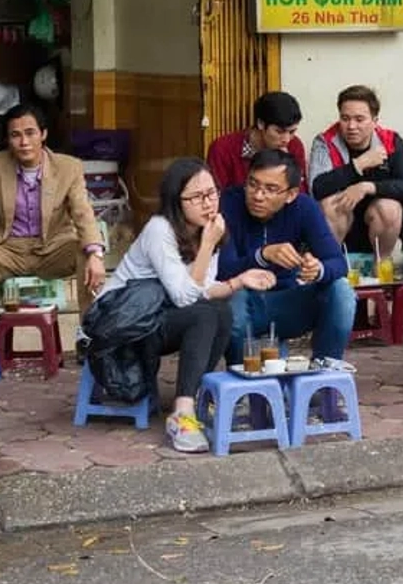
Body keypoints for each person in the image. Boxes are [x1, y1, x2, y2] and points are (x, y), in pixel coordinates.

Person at [86, 159, 275, 453]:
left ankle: (196, 397)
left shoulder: (208, 228)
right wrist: (208, 246)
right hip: (122, 327)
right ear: (177, 201)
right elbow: (186, 297)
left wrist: (239, 280)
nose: (208, 203)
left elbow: (203, 289)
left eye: (212, 193)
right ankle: (182, 414)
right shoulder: (159, 230)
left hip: (156, 318)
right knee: (203, 315)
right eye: (197, 197)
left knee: (221, 311)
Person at [0, 103, 105, 309]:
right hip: (8, 249)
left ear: (43, 134)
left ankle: (90, 334)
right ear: (8, 140)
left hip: (53, 248)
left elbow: (83, 212)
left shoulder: (68, 167)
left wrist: (95, 253)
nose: (24, 142)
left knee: (86, 255)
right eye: (15, 135)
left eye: (30, 133)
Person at [219, 149, 354, 364]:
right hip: (245, 303)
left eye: (271, 189)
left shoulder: (304, 207)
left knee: (342, 290)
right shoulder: (229, 203)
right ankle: (242, 380)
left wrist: (317, 269)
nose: (258, 195)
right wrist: (263, 256)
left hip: (288, 302)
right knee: (232, 301)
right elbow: (223, 270)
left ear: (290, 194)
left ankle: (323, 377)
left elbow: (338, 262)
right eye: (253, 184)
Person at [308, 85, 403, 259]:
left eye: (359, 119)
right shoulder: (325, 141)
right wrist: (357, 165)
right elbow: (317, 187)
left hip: (379, 226)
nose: (351, 126)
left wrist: (367, 187)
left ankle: (381, 267)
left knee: (389, 208)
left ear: (374, 121)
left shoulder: (390, 141)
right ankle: (333, 266)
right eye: (345, 118)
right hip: (340, 224)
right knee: (330, 205)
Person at [206, 92, 307, 191]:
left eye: (292, 132)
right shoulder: (223, 149)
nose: (286, 139)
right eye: (279, 131)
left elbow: (299, 194)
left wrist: (288, 167)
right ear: (261, 124)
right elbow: (216, 196)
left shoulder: (294, 146)